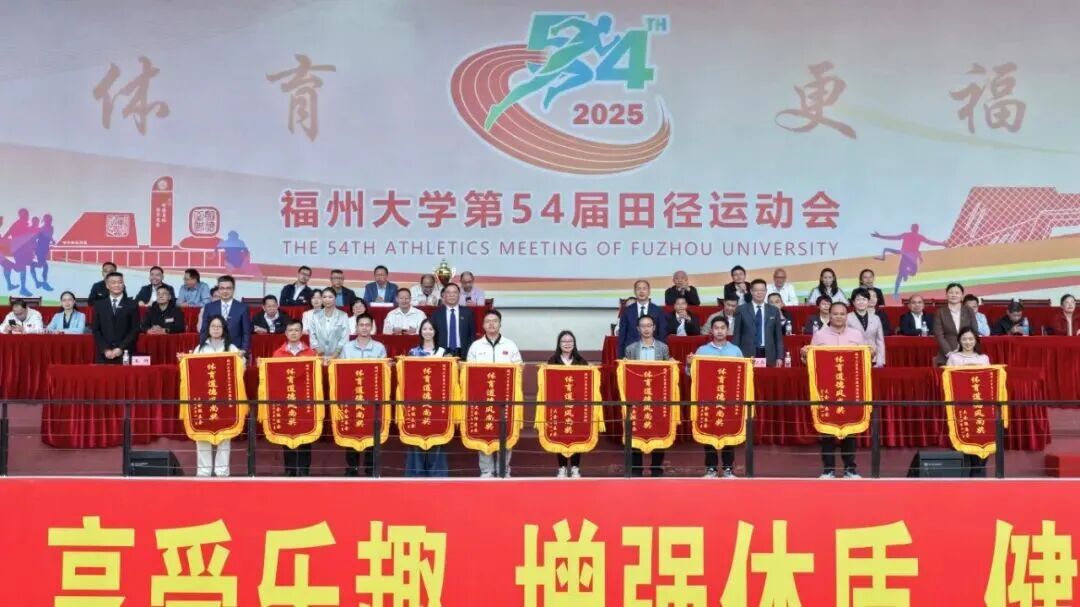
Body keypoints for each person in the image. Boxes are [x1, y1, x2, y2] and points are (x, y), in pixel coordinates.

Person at [801, 302, 867, 478]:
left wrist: (871, 353)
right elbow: (811, 362)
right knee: (827, 431)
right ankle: (828, 469)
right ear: (829, 315)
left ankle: (850, 469)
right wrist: (804, 354)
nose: (839, 317)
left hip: (849, 389)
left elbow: (864, 360)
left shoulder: (856, 335)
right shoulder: (820, 335)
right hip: (827, 390)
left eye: (842, 314)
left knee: (849, 430)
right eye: (835, 314)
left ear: (847, 316)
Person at [466, 309, 523, 477]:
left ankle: (503, 469)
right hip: (482, 398)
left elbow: (519, 368)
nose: (491, 324)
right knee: (484, 432)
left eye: (495, 321)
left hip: (505, 398)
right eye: (488, 321)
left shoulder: (510, 345)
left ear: (500, 324)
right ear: (483, 325)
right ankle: (486, 470)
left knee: (505, 432)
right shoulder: (476, 346)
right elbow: (469, 372)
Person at [686, 316, 743, 478]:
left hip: (729, 400)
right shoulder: (702, 351)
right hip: (708, 399)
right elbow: (691, 374)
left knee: (729, 433)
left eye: (722, 328)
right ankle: (711, 468)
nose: (719, 331)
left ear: (727, 330)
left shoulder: (735, 351)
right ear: (711, 331)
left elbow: (742, 374)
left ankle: (728, 468)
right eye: (716, 328)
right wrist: (689, 365)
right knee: (708, 432)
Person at [191, 315, 245, 477]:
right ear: (208, 329)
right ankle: (204, 472)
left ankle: (222, 472)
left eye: (219, 326)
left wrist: (240, 359)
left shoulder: (231, 348)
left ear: (224, 329)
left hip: (225, 398)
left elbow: (241, 370)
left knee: (224, 434)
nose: (216, 329)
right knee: (202, 434)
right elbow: (192, 371)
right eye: (213, 326)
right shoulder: (200, 348)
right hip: (204, 398)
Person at [340, 314, 388, 477]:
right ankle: (351, 467)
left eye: (368, 325)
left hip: (372, 397)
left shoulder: (379, 347)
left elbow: (382, 373)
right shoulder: (347, 348)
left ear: (372, 327)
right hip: (352, 397)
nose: (364, 328)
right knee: (351, 430)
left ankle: (370, 468)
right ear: (356, 327)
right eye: (361, 325)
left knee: (371, 430)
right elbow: (342, 372)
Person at [623, 315, 670, 477]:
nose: (646, 329)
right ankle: (636, 469)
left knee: (659, 430)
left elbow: (668, 372)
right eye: (643, 326)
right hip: (637, 398)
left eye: (649, 325)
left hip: (657, 397)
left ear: (654, 328)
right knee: (636, 430)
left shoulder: (663, 348)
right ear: (638, 329)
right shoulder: (631, 349)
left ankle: (656, 468)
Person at [944, 327, 993, 478]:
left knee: (981, 436)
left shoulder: (983, 358)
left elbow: (988, 380)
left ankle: (979, 472)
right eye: (964, 339)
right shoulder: (954, 358)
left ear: (976, 341)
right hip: (961, 406)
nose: (968, 342)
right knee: (964, 436)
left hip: (980, 406)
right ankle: (966, 472)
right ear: (959, 341)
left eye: (971, 339)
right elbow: (948, 381)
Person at [405, 319, 450, 477]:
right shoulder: (412, 353)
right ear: (420, 331)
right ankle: (416, 473)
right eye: (424, 328)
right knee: (416, 437)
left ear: (435, 332)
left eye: (431, 329)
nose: (428, 331)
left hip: (437, 404)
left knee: (436, 438)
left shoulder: (444, 353)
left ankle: (437, 474)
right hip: (417, 403)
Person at [272, 320, 318, 477]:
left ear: (301, 332)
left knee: (306, 433)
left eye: (296, 330)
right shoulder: (278, 354)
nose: (293, 333)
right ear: (285, 333)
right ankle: (290, 469)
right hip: (286, 400)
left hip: (305, 401)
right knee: (288, 433)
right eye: (290, 330)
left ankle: (304, 469)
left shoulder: (310, 353)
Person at [547, 330, 590, 478]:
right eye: (564, 341)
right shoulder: (552, 361)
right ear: (559, 344)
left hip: (576, 406)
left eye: (570, 341)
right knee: (560, 436)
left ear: (574, 343)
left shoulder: (581, 361)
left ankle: (576, 467)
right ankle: (562, 467)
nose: (567, 344)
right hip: (558, 406)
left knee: (576, 435)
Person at [732, 279, 786, 367]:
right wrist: (734, 355)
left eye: (762, 290)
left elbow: (778, 336)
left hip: (769, 354)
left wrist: (779, 357)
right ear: (751, 291)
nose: (759, 293)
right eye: (756, 290)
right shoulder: (741, 310)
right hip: (747, 354)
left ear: (766, 291)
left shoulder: (774, 310)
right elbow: (737, 335)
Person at [90, 272, 140, 363]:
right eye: (113, 282)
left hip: (125, 353)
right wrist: (105, 349)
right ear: (107, 285)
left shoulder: (132, 304)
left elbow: (134, 330)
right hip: (104, 355)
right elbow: (96, 330)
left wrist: (121, 348)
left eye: (120, 282)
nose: (117, 285)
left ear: (123, 285)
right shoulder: (99, 305)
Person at [199, 275, 252, 353]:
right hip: (213, 351)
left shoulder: (242, 308)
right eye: (222, 288)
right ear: (218, 290)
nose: (225, 291)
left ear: (233, 289)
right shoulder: (209, 307)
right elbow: (204, 330)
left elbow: (246, 333)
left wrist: (244, 350)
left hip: (235, 351)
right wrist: (202, 347)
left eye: (228, 288)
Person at [617, 280, 667, 357]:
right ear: (634, 292)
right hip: (631, 352)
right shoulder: (627, 311)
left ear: (649, 291)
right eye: (639, 289)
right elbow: (622, 335)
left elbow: (662, 334)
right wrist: (621, 356)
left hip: (653, 352)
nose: (641, 291)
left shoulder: (658, 310)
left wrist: (661, 354)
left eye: (644, 288)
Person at [933, 283, 977, 365]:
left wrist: (966, 349)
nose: (954, 295)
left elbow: (974, 331)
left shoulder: (969, 311)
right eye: (951, 292)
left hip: (967, 353)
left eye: (957, 293)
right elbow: (939, 335)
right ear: (946, 295)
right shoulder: (940, 312)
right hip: (946, 354)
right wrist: (949, 353)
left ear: (962, 295)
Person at [309, 288, 351, 364]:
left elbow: (344, 338)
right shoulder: (315, 316)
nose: (327, 300)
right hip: (319, 357)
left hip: (338, 357)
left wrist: (334, 355)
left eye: (330, 297)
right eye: (324, 297)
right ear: (321, 299)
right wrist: (320, 354)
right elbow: (312, 336)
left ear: (335, 298)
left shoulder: (343, 315)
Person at [848, 288, 887, 367]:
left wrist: (880, 361)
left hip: (873, 359)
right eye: (858, 299)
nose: (861, 302)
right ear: (853, 302)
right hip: (853, 358)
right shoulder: (847, 318)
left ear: (868, 301)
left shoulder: (876, 318)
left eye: (864, 299)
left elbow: (880, 341)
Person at [434, 283, 475, 358]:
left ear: (459, 295)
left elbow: (472, 336)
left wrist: (470, 353)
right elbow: (434, 336)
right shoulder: (437, 314)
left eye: (455, 292)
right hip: (443, 352)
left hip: (463, 352)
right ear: (444, 296)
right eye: (448, 292)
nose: (451, 295)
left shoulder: (468, 313)